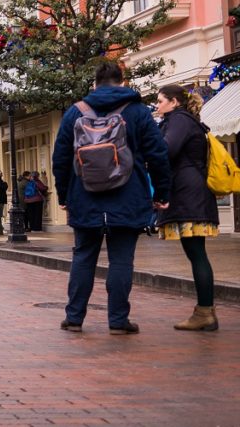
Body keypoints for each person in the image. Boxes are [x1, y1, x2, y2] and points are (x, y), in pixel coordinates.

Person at [52, 62, 170, 335]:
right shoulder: (139, 112)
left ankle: (74, 318)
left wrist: (64, 194)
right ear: (123, 81)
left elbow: (60, 158)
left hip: (84, 195)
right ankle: (117, 321)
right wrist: (162, 193)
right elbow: (158, 155)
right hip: (128, 195)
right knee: (121, 259)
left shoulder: (75, 112)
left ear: (94, 84)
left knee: (83, 256)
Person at [154, 84, 220, 332]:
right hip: (191, 193)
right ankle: (205, 311)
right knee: (195, 253)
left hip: (189, 195)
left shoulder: (179, 120)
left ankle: (205, 313)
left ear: (174, 102)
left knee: (196, 253)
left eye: (160, 101)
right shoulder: (182, 120)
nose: (157, 106)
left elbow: (166, 151)